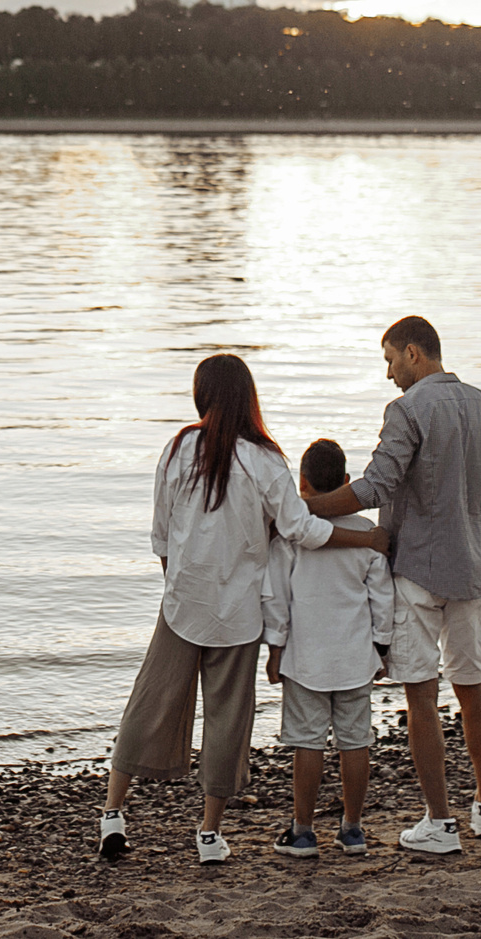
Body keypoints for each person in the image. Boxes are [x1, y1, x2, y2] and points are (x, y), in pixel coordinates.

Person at [99, 353, 363, 866]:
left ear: (203, 396)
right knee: (226, 722)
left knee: (148, 705)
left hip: (183, 605)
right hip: (239, 615)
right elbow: (300, 530)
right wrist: (368, 537)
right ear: (248, 396)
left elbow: (161, 536)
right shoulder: (265, 460)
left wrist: (175, 585)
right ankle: (208, 835)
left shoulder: (179, 448)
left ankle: (112, 813)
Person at [302, 315, 481, 856]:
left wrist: (302, 509)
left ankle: (440, 823)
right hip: (473, 567)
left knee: (421, 697)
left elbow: (375, 486)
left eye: (390, 360)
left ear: (415, 354)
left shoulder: (408, 409)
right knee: (473, 690)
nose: (389, 374)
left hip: (418, 571)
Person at [264, 439, 393, 859]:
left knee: (309, 742)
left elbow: (277, 597)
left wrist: (275, 647)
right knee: (355, 742)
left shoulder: (292, 538)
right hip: (356, 655)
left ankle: (302, 831)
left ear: (302, 484)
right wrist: (382, 646)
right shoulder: (367, 536)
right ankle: (352, 829)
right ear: (344, 483)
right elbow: (382, 598)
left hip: (306, 658)